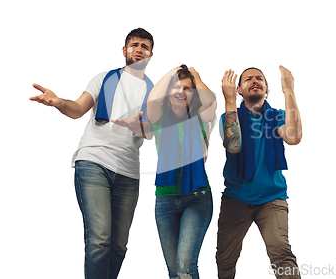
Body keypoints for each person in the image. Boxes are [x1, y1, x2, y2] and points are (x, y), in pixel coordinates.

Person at [29, 28, 155, 279]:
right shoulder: (103, 78)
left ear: (151, 54)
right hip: (94, 162)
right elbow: (77, 109)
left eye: (144, 46)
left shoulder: (153, 92)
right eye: (134, 45)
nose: (139, 49)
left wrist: (137, 125)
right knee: (100, 240)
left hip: (129, 172)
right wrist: (58, 102)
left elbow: (150, 132)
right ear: (124, 50)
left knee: (118, 246)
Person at [216, 66, 302, 279]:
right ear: (238, 89)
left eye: (260, 78)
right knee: (225, 260)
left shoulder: (278, 116)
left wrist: (289, 91)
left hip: (272, 199)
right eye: (248, 79)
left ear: (266, 88)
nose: (255, 81)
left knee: (282, 253)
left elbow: (293, 138)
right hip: (235, 200)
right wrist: (228, 102)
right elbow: (234, 146)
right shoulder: (228, 117)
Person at [145, 64, 216, 279]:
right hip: (165, 200)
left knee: (185, 265)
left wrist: (196, 76)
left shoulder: (202, 119)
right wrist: (173, 72)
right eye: (177, 87)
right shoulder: (158, 118)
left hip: (197, 197)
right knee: (174, 271)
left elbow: (210, 101)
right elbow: (152, 101)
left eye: (187, 89)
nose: (181, 92)